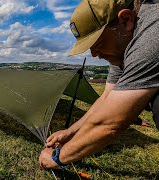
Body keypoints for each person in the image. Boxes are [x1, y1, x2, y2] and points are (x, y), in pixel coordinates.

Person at [39, 0, 159, 169]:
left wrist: (58, 158)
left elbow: (111, 123)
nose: (94, 54)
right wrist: (70, 132)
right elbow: (106, 99)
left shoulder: (152, 37)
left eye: (99, 44)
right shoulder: (122, 49)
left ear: (126, 20)